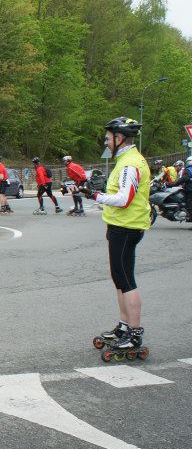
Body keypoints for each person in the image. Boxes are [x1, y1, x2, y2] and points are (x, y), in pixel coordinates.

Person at [71, 117, 150, 360]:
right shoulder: (125, 160)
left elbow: (124, 199)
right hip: (120, 226)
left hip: (127, 227)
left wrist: (95, 195)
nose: (105, 141)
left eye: (108, 137)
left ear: (120, 138)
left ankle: (134, 334)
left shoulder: (130, 164)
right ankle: (124, 326)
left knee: (126, 279)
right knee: (119, 277)